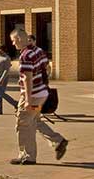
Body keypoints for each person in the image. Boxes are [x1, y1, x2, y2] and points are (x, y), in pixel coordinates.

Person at [10, 28, 68, 165]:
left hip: (32, 95)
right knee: (35, 121)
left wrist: (28, 100)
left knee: (23, 124)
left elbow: (27, 79)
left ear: (19, 39)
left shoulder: (25, 56)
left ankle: (27, 156)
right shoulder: (39, 51)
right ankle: (58, 141)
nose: (13, 44)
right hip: (42, 94)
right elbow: (46, 69)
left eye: (13, 41)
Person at [0, 44, 18, 115]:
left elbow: (6, 70)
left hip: (3, 77)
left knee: (1, 93)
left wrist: (2, 79)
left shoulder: (6, 58)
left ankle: (15, 103)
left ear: (3, 50)